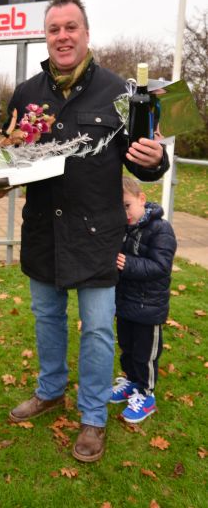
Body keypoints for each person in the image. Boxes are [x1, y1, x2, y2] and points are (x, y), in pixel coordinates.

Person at [4, 0, 169, 463]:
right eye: (54, 29)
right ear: (46, 35)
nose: (62, 36)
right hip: (43, 231)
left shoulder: (120, 93)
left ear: (86, 33)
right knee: (47, 318)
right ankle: (50, 389)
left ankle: (93, 417)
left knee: (97, 329)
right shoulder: (26, 94)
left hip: (98, 235)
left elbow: (149, 159)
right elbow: (7, 153)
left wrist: (156, 161)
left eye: (70, 27)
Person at [110, 176, 177, 422]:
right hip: (126, 304)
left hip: (149, 308)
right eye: (119, 208)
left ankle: (146, 394)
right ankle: (131, 382)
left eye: (127, 206)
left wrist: (128, 264)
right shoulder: (124, 229)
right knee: (127, 348)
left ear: (141, 199)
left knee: (145, 354)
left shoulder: (161, 229)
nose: (124, 213)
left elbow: (161, 266)